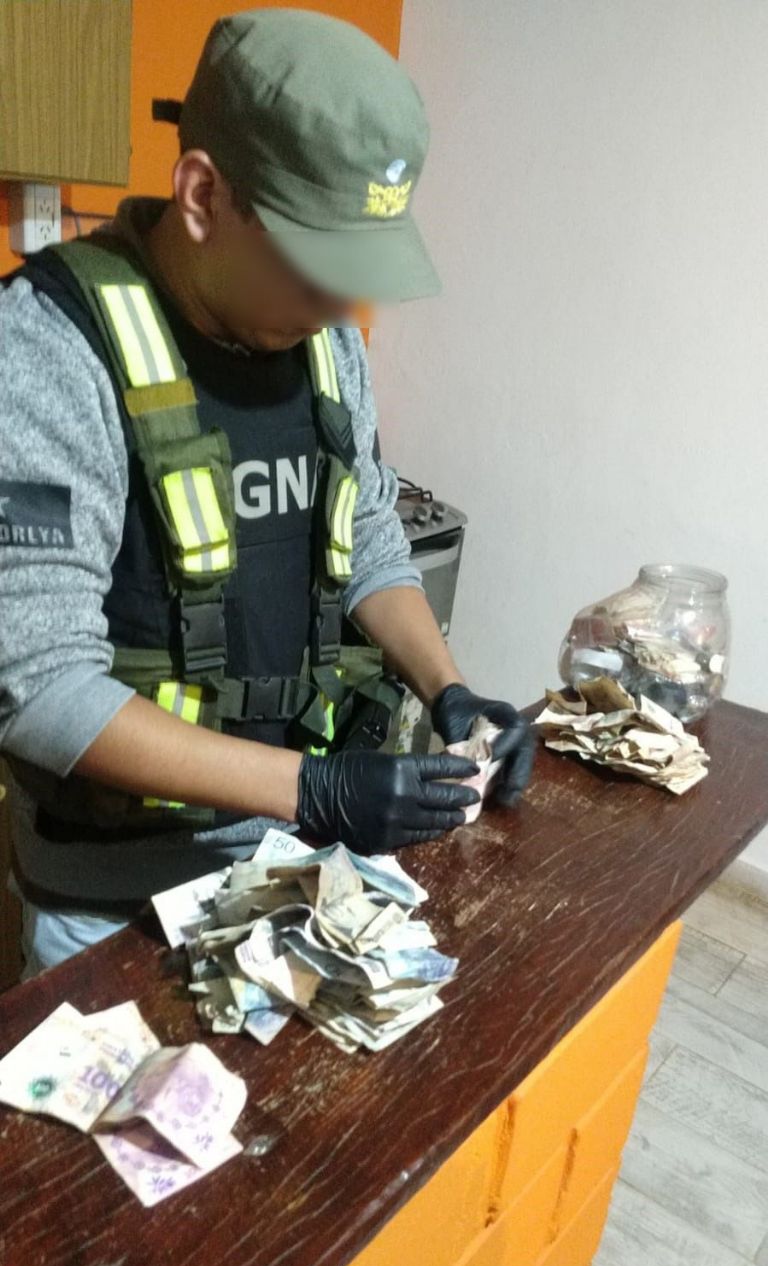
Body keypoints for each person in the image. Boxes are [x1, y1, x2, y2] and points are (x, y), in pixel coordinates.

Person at [0, 8, 534, 976]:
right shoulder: (47, 350)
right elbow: (38, 687)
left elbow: (367, 534)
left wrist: (448, 688)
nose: (342, 304)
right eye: (317, 262)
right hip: (114, 900)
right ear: (204, 194)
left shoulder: (322, 340)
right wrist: (313, 788)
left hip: (294, 863)